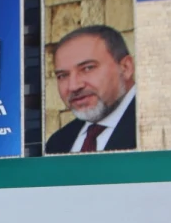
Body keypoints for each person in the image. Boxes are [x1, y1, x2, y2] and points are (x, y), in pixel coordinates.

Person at [44, 25, 136, 154]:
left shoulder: (154, 125)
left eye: (88, 68)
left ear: (125, 68)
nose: (73, 86)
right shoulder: (57, 143)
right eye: (63, 75)